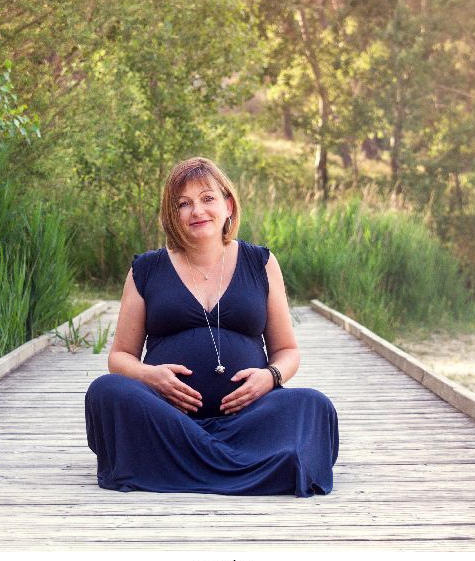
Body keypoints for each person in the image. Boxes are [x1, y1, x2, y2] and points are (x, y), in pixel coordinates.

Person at [84, 157, 338, 496]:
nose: (197, 211)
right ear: (172, 216)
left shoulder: (260, 262)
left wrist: (270, 377)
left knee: (314, 406)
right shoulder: (146, 269)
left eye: (207, 199)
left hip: (248, 419)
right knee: (106, 391)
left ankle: (174, 465)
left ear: (228, 204)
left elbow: (287, 351)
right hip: (168, 416)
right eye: (183, 204)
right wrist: (149, 376)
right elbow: (120, 358)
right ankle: (252, 467)